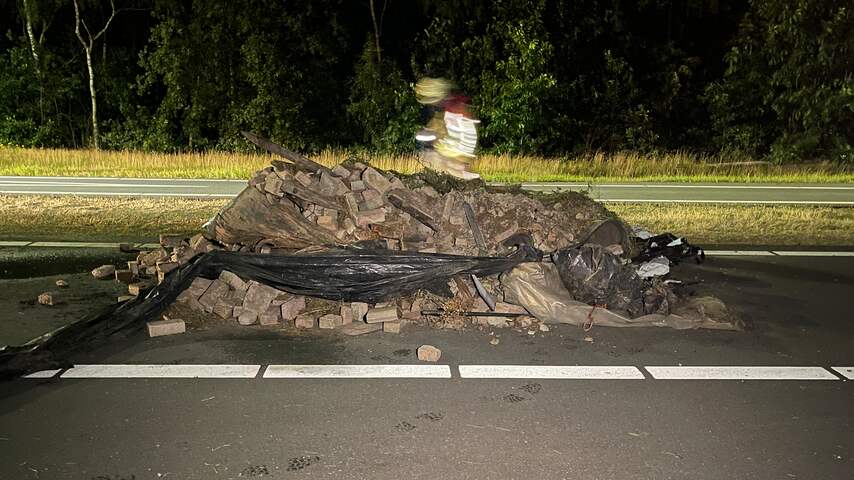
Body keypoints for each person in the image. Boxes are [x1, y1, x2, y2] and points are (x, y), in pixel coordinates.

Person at [414, 77, 480, 180]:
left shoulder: (453, 109)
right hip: (459, 139)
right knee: (439, 161)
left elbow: (457, 131)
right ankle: (463, 176)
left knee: (435, 160)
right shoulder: (451, 106)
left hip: (460, 140)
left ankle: (465, 178)